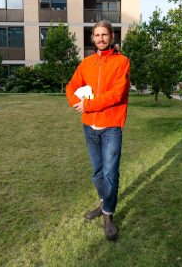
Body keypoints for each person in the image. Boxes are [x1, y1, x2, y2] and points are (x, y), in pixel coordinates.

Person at [65, 21, 130, 241]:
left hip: (111, 126)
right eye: (97, 35)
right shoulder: (86, 63)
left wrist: (89, 105)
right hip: (89, 126)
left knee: (110, 174)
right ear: (92, 38)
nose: (101, 38)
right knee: (97, 172)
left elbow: (117, 94)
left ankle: (108, 215)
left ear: (111, 36)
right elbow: (71, 87)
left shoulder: (122, 62)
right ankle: (103, 204)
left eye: (104, 34)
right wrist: (77, 102)